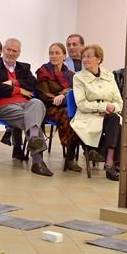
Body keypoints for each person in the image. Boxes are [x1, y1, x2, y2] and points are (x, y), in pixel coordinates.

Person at [0, 38, 52, 177]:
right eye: (8, 49)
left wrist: (12, 82)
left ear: (19, 53)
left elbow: (32, 84)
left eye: (14, 51)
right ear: (3, 50)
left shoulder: (24, 67)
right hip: (4, 106)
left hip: (26, 104)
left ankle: (33, 138)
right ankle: (38, 162)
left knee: (37, 103)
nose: (11, 53)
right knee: (32, 120)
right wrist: (19, 89)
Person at [70, 44, 124, 181]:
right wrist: (102, 107)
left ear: (99, 59)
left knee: (115, 120)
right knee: (116, 124)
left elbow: (119, 101)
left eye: (89, 56)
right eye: (83, 57)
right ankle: (112, 163)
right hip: (88, 116)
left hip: (109, 116)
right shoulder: (78, 77)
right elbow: (81, 104)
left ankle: (108, 160)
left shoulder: (109, 76)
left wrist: (111, 108)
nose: (85, 59)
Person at [35, 43, 81, 172]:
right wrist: (57, 98)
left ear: (64, 56)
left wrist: (63, 94)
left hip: (66, 104)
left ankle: (85, 149)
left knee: (79, 115)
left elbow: (74, 89)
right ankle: (70, 158)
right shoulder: (43, 71)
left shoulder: (70, 74)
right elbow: (43, 93)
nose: (54, 56)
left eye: (57, 53)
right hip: (49, 106)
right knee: (67, 114)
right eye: (51, 53)